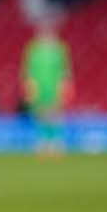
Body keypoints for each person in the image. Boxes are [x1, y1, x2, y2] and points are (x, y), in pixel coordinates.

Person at [22, 14, 72, 157]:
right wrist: (29, 85)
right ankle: (43, 142)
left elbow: (65, 70)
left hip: (54, 86)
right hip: (39, 87)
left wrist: (65, 85)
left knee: (54, 115)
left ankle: (55, 143)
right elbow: (28, 70)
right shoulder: (32, 49)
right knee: (41, 115)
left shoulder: (60, 49)